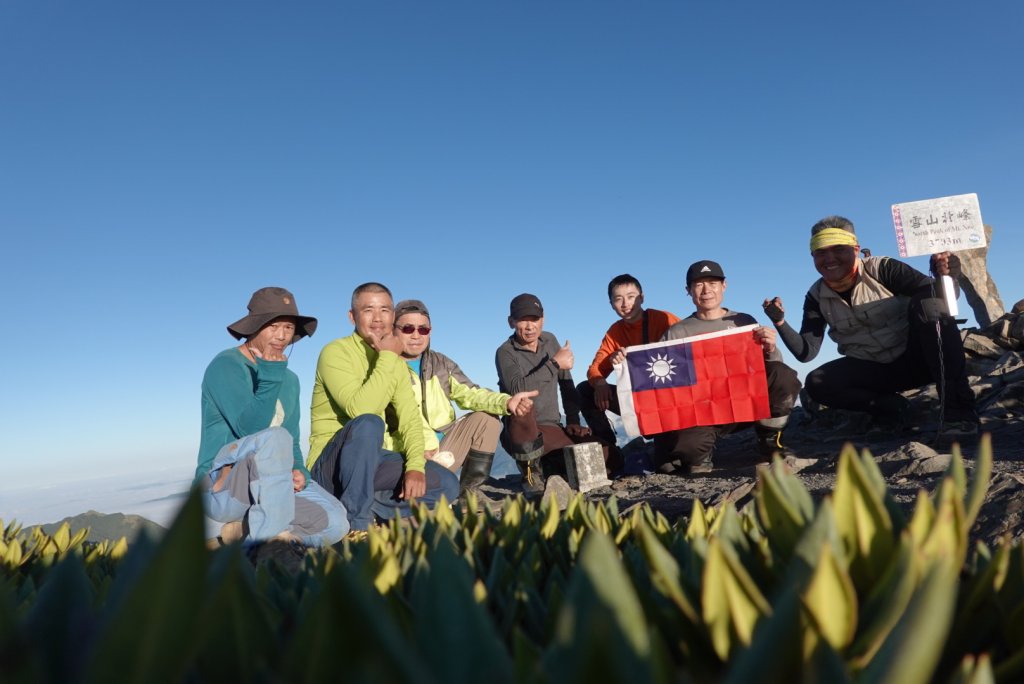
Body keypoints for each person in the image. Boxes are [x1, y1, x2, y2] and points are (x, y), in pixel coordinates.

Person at [763, 215, 978, 435]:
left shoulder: (883, 268)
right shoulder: (816, 296)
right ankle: (892, 409)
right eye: (820, 252)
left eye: (838, 248)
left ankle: (959, 414)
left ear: (855, 249)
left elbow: (942, 301)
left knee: (929, 302)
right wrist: (779, 321)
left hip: (921, 361)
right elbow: (806, 352)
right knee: (818, 383)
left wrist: (948, 277)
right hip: (875, 372)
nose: (829, 258)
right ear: (812, 256)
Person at [195, 287, 348, 547]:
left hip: (273, 484)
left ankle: (248, 534)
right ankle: (265, 551)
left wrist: (299, 471)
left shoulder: (290, 380)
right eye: (273, 325)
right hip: (225, 485)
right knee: (272, 438)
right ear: (254, 326)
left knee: (337, 521)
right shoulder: (226, 366)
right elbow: (250, 430)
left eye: (288, 327)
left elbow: (292, 439)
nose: (281, 335)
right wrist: (270, 375)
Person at [306, 283, 460, 532]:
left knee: (447, 484)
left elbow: (410, 419)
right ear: (352, 316)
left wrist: (415, 469)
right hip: (328, 467)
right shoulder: (335, 352)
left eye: (385, 310)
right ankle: (357, 525)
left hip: (370, 464)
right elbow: (360, 410)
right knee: (369, 423)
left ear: (393, 315)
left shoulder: (395, 364)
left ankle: (368, 506)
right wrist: (388, 356)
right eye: (368, 310)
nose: (378, 319)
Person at [657, 261, 802, 474]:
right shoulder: (676, 333)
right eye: (698, 285)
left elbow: (772, 366)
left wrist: (770, 348)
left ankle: (770, 441)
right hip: (704, 411)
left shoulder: (743, 321)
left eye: (712, 283)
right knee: (688, 445)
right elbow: (663, 379)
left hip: (745, 402)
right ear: (688, 291)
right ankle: (701, 456)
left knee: (783, 376)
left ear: (724, 285)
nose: (706, 290)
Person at [392, 299, 537, 500]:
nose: (416, 335)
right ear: (394, 330)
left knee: (486, 420)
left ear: (430, 331)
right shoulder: (386, 366)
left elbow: (470, 393)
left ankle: (468, 493)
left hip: (446, 447)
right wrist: (421, 444)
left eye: (423, 329)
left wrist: (506, 402)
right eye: (408, 328)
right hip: (406, 453)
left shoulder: (439, 363)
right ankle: (427, 490)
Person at [495, 293, 607, 496]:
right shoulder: (505, 352)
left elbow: (566, 383)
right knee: (523, 405)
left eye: (535, 319)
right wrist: (555, 363)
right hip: (522, 430)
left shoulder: (550, 340)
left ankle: (549, 467)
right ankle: (530, 475)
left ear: (543, 319)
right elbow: (517, 389)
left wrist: (573, 420)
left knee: (608, 457)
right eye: (522, 320)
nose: (530, 326)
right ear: (511, 322)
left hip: (551, 428)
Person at [578, 274, 680, 459]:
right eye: (618, 299)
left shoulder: (664, 319)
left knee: (668, 464)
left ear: (642, 297)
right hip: (639, 401)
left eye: (631, 296)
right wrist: (600, 382)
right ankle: (608, 450)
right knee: (586, 389)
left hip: (670, 400)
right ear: (611, 304)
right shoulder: (615, 332)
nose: (625, 303)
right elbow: (595, 369)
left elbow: (687, 353)